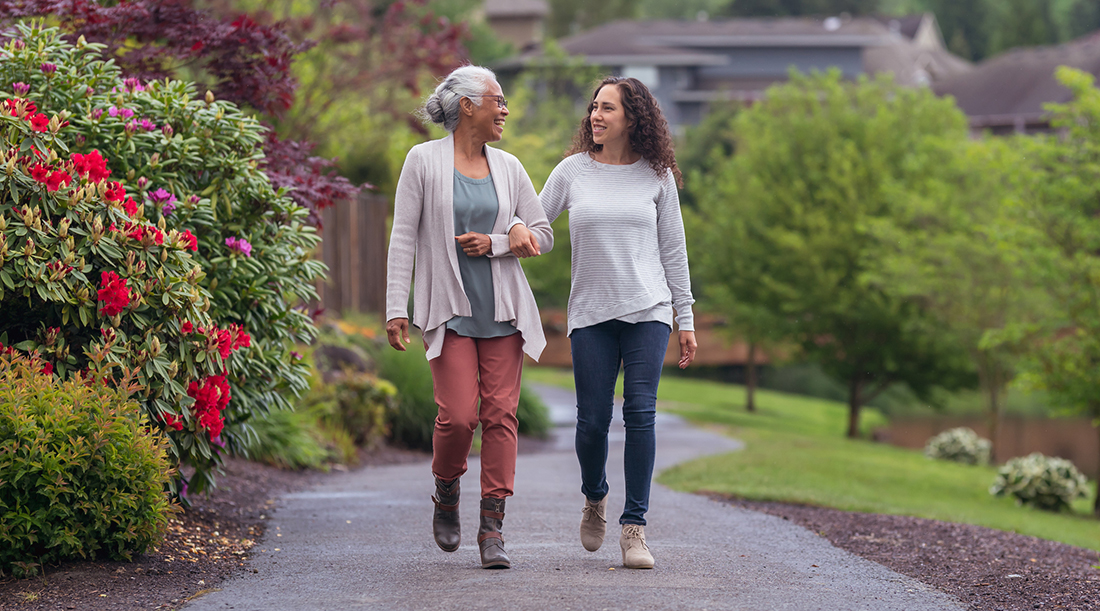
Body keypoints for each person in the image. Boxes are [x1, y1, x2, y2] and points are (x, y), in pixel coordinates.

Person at [384, 65, 551, 570]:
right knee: (458, 417)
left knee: (501, 415)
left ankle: (492, 528)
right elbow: (403, 237)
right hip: (450, 312)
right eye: (497, 100)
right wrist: (396, 307)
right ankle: (446, 489)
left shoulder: (510, 166)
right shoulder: (423, 160)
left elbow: (541, 234)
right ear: (467, 106)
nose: (505, 109)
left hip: (503, 312)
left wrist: (502, 241)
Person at [534, 76, 697, 569]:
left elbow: (674, 250)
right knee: (591, 423)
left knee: (641, 413)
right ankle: (595, 495)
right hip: (590, 314)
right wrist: (500, 241)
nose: (595, 116)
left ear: (633, 118)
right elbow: (537, 233)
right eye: (593, 107)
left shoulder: (657, 175)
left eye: (607, 108)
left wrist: (684, 316)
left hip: (648, 310)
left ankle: (634, 528)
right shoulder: (571, 172)